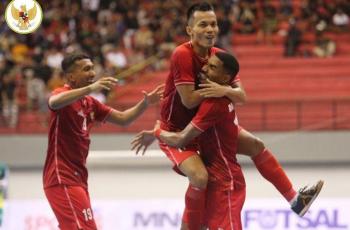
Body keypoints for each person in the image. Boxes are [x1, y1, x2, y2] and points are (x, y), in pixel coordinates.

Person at [133, 2, 323, 229]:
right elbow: (188, 100)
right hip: (177, 130)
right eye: (203, 24)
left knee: (255, 145)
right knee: (200, 177)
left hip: (204, 127)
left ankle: (295, 200)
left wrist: (223, 90)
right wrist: (220, 90)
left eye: (213, 24)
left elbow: (241, 96)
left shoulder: (220, 58)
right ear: (189, 30)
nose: (210, 29)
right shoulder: (182, 54)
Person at [42, 52, 163, 230]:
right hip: (61, 176)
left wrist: (144, 104)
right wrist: (91, 88)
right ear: (71, 77)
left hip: (79, 178)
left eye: (92, 68)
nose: (92, 73)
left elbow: (123, 119)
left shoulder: (90, 103)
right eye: (86, 69)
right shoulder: (63, 93)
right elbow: (54, 102)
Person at [133, 51, 246, 229]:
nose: (204, 69)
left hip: (227, 183)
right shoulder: (219, 97)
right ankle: (293, 197)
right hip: (216, 181)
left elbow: (180, 139)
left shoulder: (215, 104)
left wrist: (157, 132)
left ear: (225, 79)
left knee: (199, 177)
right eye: (206, 64)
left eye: (212, 67)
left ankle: (294, 198)